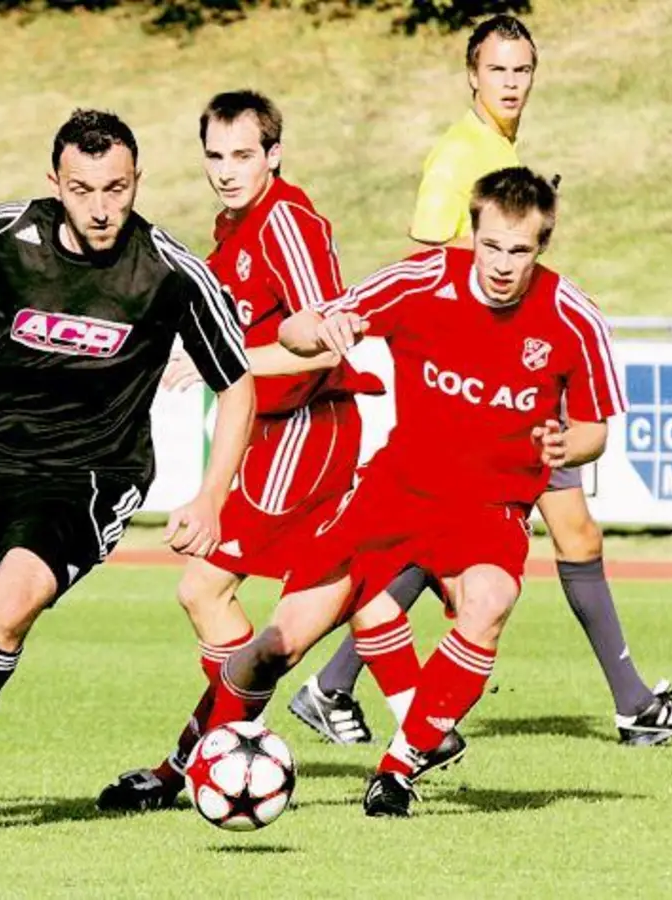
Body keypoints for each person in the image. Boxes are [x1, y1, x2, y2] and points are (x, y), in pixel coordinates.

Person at [294, 14, 672, 747]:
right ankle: (334, 683)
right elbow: (426, 270)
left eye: (521, 70)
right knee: (473, 539)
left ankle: (335, 683)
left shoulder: (496, 147)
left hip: (517, 374)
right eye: (497, 70)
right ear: (471, 74)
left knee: (571, 528)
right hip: (484, 391)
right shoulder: (457, 157)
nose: (510, 83)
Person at [0, 109, 256, 828]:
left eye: (116, 189)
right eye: (84, 188)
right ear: (54, 183)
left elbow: (238, 383)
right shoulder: (3, 235)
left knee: (9, 609)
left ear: (137, 183)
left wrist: (212, 495)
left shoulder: (168, 270)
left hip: (92, 476)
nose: (101, 208)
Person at [189, 168, 617, 818]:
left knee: (491, 599)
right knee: (279, 644)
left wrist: (568, 444)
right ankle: (209, 755)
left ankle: (400, 766)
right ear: (473, 234)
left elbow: (594, 429)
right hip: (392, 497)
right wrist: (312, 330)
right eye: (492, 245)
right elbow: (307, 331)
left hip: (489, 510)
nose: (503, 264)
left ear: (542, 245)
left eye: (520, 250)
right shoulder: (420, 281)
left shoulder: (572, 318)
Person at [96, 90, 464, 814]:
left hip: (307, 430)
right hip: (275, 431)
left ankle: (208, 754)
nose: (227, 170)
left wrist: (220, 364)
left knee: (207, 589)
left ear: (273, 155)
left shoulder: (286, 220)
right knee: (328, 582)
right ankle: (414, 703)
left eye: (243, 155)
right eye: (214, 156)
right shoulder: (234, 225)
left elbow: (325, 335)